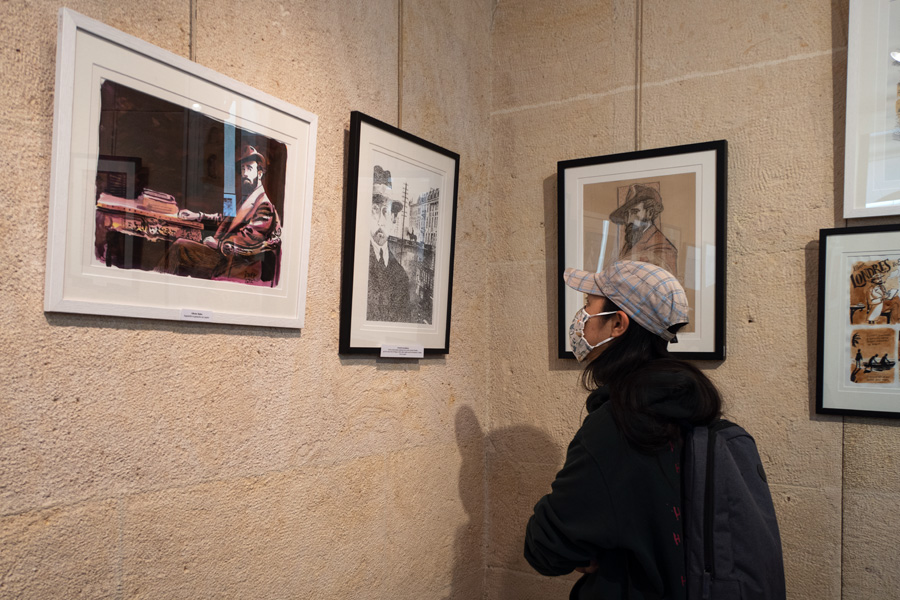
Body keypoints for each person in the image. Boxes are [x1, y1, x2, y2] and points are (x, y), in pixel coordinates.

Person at [524, 260, 722, 600]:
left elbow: (544, 547)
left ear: (618, 323)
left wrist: (590, 551)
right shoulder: (689, 407)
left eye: (588, 305)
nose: (581, 318)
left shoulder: (618, 426)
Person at [157, 145, 281, 285]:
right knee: (181, 245)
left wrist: (219, 244)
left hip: (235, 263)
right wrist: (197, 215)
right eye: (243, 169)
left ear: (260, 173)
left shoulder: (263, 204)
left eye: (249, 168)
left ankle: (156, 285)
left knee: (181, 247)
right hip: (224, 256)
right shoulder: (248, 197)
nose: (245, 173)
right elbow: (226, 220)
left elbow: (251, 239)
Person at [367, 167, 411, 322]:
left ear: (393, 219)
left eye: (386, 212)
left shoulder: (401, 276)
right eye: (374, 210)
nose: (380, 220)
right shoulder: (357, 265)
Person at [609, 184, 678, 276]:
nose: (629, 219)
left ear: (650, 213)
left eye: (634, 212)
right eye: (627, 213)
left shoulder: (663, 249)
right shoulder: (631, 241)